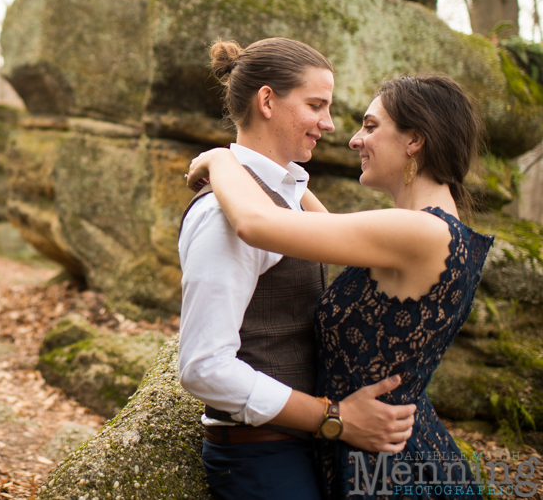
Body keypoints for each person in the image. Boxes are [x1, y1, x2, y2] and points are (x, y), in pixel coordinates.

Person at [186, 72, 492, 500]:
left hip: (386, 462)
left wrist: (222, 159)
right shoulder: (432, 231)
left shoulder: (420, 232)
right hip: (380, 447)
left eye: (370, 126)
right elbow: (319, 226)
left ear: (414, 140)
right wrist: (276, 165)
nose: (353, 139)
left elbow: (258, 223)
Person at [177, 38, 416, 500]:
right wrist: (333, 417)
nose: (328, 124)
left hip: (301, 447)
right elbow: (203, 367)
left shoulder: (285, 196)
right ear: (267, 100)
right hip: (261, 459)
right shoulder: (223, 217)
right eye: (316, 105)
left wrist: (225, 159)